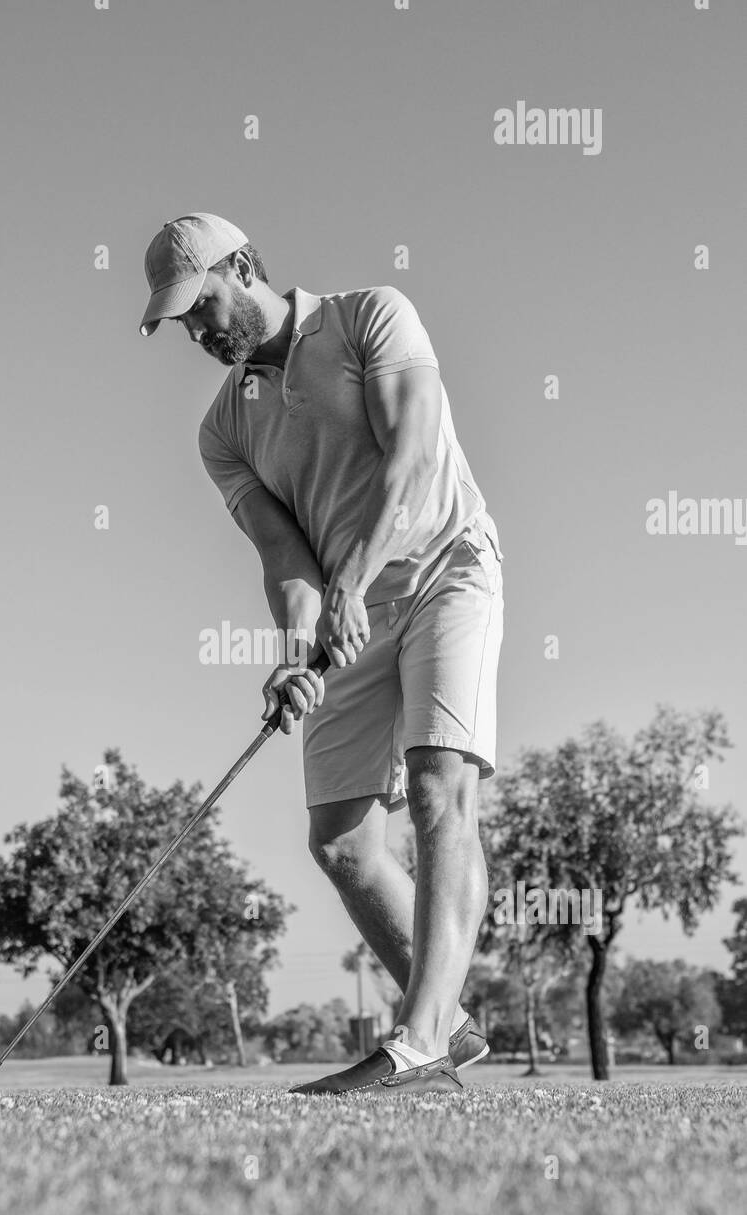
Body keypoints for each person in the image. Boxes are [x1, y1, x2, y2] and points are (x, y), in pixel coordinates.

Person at [139, 214, 502, 1097]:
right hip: (349, 607)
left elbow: (410, 457)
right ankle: (448, 1027)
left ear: (245, 265)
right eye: (183, 321)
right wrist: (297, 649)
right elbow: (285, 557)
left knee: (436, 782)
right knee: (339, 843)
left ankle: (414, 1041)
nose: (198, 330)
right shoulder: (222, 431)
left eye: (204, 304)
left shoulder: (371, 316)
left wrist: (354, 582)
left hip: (447, 567)